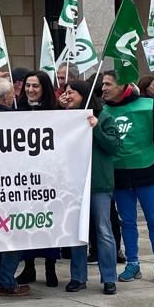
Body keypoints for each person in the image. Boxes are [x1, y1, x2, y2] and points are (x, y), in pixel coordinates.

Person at [103, 71, 154, 284]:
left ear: (122, 85)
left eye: (108, 84)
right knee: (127, 222)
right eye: (103, 84)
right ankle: (132, 263)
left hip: (146, 171)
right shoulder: (103, 110)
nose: (103, 88)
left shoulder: (147, 104)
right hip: (119, 172)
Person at [67, 77, 121, 295]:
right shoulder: (67, 118)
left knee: (103, 230)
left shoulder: (105, 117)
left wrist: (96, 128)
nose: (68, 96)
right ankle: (78, 276)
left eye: (71, 92)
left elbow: (113, 146)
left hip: (99, 183)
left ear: (83, 95)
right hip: (75, 183)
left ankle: (109, 277)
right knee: (77, 232)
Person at [0, 78, 32, 297]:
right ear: (5, 98)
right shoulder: (13, 120)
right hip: (11, 186)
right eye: (12, 93)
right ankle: (6, 281)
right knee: (16, 231)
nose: (14, 96)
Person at [16, 69, 62, 287]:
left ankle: (50, 268)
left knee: (50, 222)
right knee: (27, 224)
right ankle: (29, 267)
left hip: (49, 177)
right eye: (28, 86)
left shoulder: (56, 111)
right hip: (24, 177)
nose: (30, 90)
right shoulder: (17, 109)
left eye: (35, 86)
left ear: (44, 88)